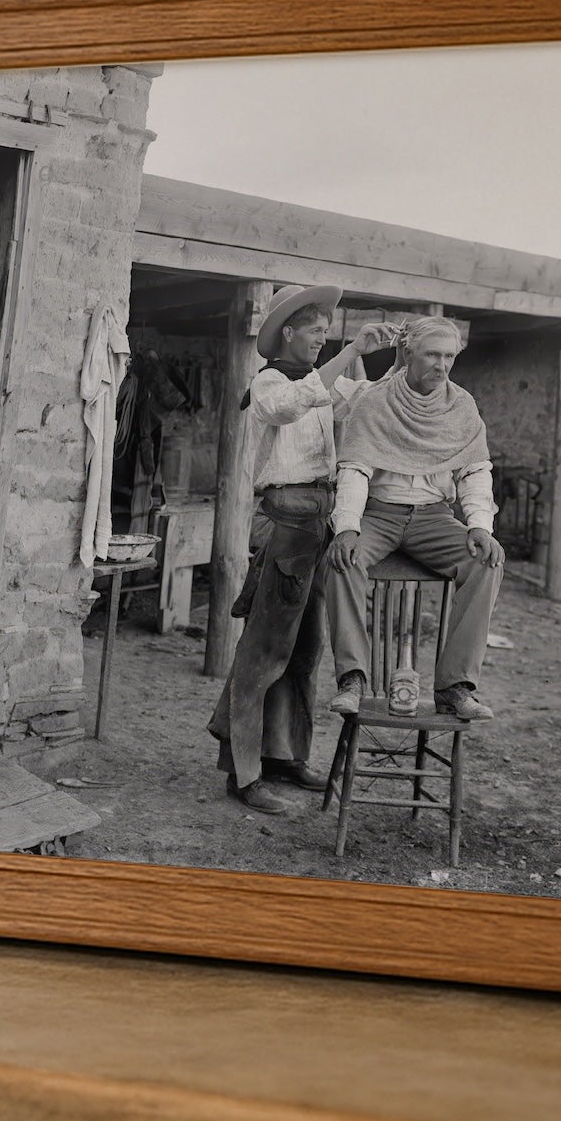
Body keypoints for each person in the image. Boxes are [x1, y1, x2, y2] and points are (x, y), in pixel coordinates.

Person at [207, 285, 399, 814]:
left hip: (323, 518)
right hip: (286, 520)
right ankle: (244, 773)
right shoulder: (270, 381)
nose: (321, 338)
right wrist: (350, 353)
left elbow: (366, 400)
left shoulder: (324, 380)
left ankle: (285, 757)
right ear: (287, 332)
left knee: (305, 649)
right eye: (314, 329)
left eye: (325, 331)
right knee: (265, 648)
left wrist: (396, 355)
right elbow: (295, 404)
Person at [323, 314, 504, 721]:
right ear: (408, 355)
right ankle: (352, 678)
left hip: (433, 517)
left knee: (486, 562)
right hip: (379, 514)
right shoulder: (375, 399)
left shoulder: (461, 406)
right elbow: (354, 467)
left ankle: (455, 686)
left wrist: (479, 525)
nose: (441, 366)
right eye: (432, 355)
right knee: (340, 561)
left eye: (449, 357)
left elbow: (474, 470)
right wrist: (348, 528)